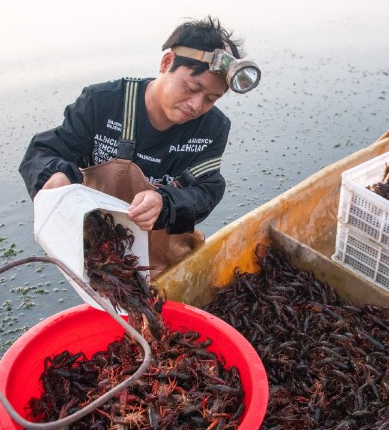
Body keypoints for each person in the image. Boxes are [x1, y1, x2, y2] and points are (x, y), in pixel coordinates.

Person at [19, 16, 260, 272]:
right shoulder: (102, 103)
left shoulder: (213, 127)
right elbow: (44, 151)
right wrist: (54, 175)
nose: (196, 105)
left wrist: (165, 203)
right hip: (101, 257)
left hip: (167, 259)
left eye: (211, 98)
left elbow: (206, 190)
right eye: (191, 88)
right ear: (167, 63)